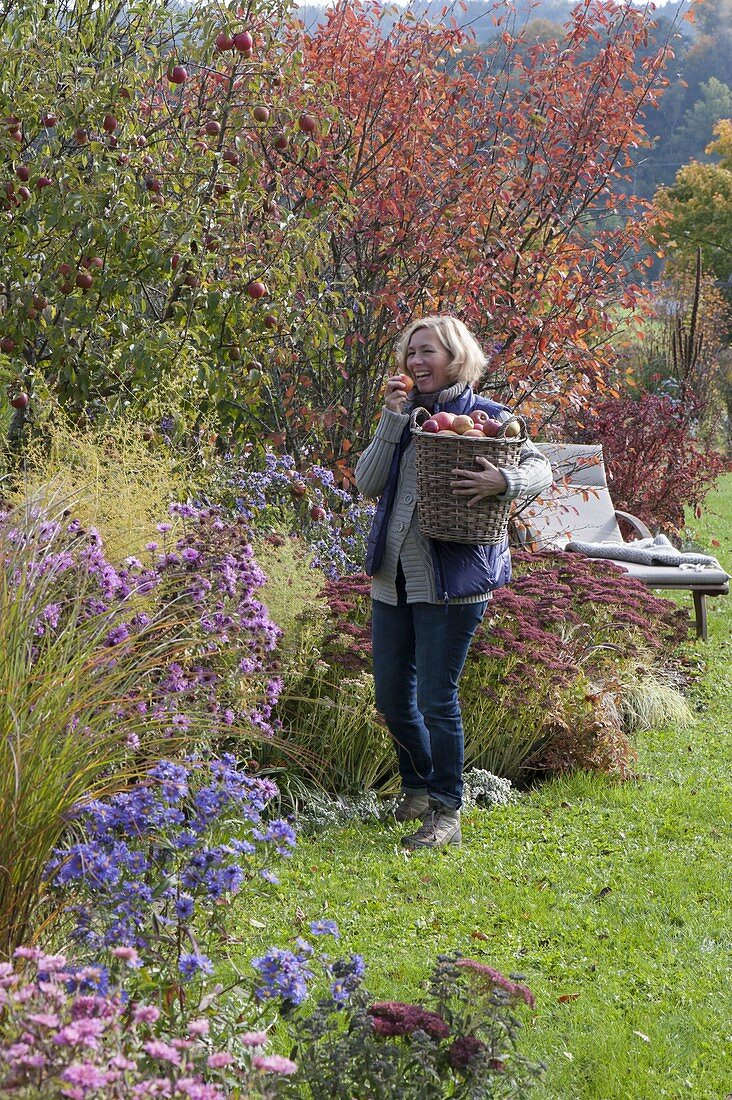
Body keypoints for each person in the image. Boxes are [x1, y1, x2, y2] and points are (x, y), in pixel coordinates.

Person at [354, 315, 552, 849]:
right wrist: (391, 421)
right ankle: (416, 787)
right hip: (392, 575)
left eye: (429, 352)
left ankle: (446, 811)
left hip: (454, 578)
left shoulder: (487, 419)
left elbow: (541, 468)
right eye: (410, 353)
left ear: (456, 357)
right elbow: (366, 483)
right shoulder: (406, 417)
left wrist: (505, 480)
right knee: (394, 697)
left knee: (437, 698)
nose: (417, 362)